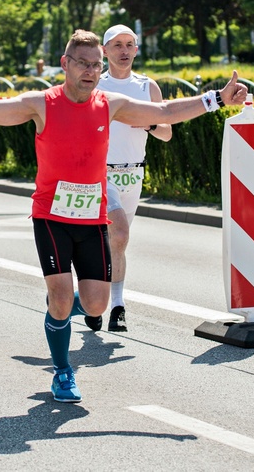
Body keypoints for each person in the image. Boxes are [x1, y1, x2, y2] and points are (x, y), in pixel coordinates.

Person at [0, 29, 247, 403]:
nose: (91, 71)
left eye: (97, 65)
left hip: (92, 218)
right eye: (83, 63)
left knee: (96, 304)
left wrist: (217, 99)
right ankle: (63, 370)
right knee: (63, 296)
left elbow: (163, 113)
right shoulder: (42, 103)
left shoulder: (110, 103)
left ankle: (61, 307)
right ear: (65, 64)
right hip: (50, 216)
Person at [85, 25, 172, 332]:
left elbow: (166, 133)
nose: (124, 51)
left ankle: (93, 302)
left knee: (114, 245)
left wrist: (147, 123)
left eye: (130, 45)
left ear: (136, 50)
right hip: (100, 173)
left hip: (133, 173)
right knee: (118, 234)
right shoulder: (95, 85)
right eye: (117, 45)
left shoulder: (148, 87)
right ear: (105, 51)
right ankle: (117, 306)